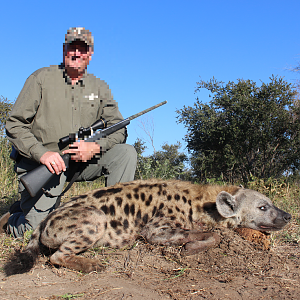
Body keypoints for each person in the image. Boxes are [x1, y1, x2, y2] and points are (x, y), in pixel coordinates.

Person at [1, 27, 137, 238]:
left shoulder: (100, 88)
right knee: (38, 232)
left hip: (79, 163)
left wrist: (95, 147)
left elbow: (119, 130)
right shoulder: (40, 79)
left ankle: (114, 223)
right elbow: (14, 124)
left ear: (90, 54)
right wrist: (42, 154)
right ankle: (13, 219)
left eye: (82, 49)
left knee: (126, 153)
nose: (76, 53)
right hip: (44, 166)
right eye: (72, 47)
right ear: (64, 49)